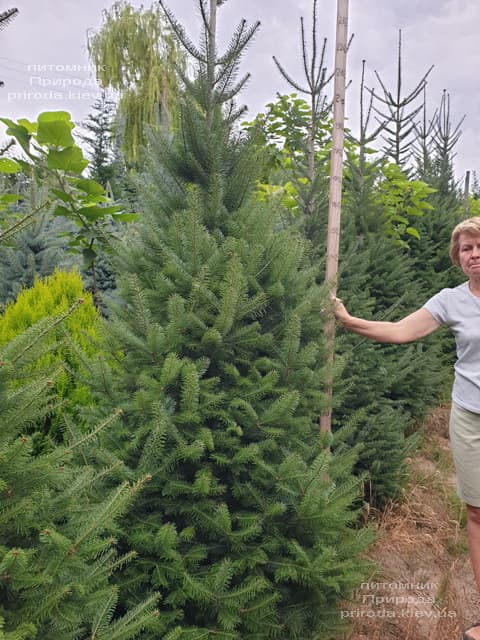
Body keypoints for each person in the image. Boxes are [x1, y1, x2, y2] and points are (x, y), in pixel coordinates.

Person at [332, 216, 480, 640]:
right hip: (469, 416)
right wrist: (348, 320)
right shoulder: (451, 300)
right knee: (477, 512)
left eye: (479, 245)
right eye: (466, 248)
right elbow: (400, 331)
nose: (474, 254)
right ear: (458, 258)